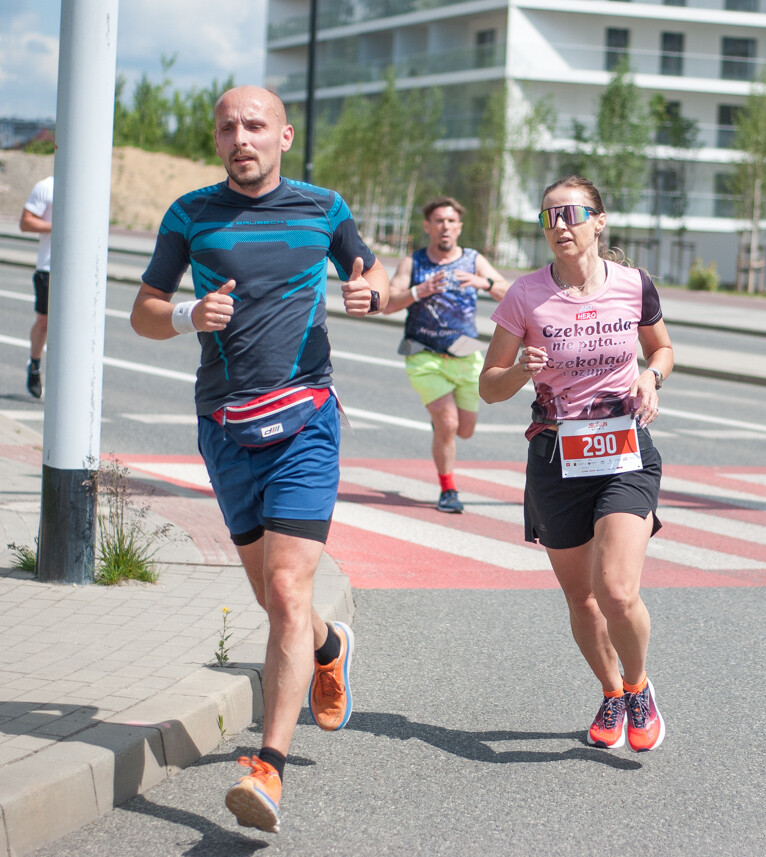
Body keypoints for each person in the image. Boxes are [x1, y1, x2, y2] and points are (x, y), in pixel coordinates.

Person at [129, 86, 389, 833]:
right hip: (225, 426)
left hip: (306, 417)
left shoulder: (323, 208)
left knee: (284, 587)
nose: (241, 136)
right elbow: (144, 309)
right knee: (278, 603)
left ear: (284, 134)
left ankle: (267, 767)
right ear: (217, 140)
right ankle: (329, 646)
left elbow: (365, 270)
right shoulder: (189, 214)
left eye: (254, 125)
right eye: (227, 127)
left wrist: (366, 290)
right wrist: (186, 314)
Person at [479, 175, 674, 752]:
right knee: (581, 598)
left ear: (599, 220)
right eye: (548, 217)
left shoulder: (634, 285)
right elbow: (489, 387)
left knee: (615, 589)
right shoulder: (525, 296)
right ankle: (611, 691)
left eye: (572, 213)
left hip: (623, 452)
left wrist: (650, 375)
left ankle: (639, 688)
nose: (560, 225)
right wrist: (521, 372)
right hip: (556, 458)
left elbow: (662, 347)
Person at [383, 197, 508, 513]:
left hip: (465, 356)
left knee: (464, 430)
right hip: (423, 354)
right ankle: (448, 490)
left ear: (459, 227)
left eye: (451, 221)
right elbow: (388, 303)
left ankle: (441, 424)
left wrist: (485, 282)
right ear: (428, 226)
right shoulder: (414, 263)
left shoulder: (473, 260)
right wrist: (419, 291)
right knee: (449, 422)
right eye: (438, 221)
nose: (445, 227)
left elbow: (510, 293)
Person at [19, 175, 53, 398]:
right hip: (48, 268)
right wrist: (57, 226)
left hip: (81, 273)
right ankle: (35, 365)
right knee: (44, 322)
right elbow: (25, 222)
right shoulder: (46, 186)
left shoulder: (92, 185)